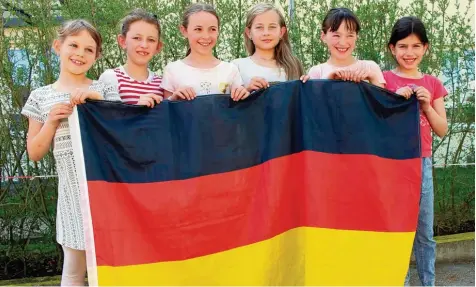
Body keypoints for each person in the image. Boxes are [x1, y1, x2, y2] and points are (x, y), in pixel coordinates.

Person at [21, 20, 121, 286]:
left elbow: (121, 132)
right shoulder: (40, 96)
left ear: (97, 55)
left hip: (109, 192)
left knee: (114, 268)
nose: (80, 54)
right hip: (72, 198)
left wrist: (96, 100)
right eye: (73, 45)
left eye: (89, 49)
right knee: (74, 272)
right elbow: (34, 152)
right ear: (58, 46)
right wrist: (52, 121)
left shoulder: (105, 89)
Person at [384, 16, 448, 286]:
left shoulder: (433, 84)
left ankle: (428, 283)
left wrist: (426, 105)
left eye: (415, 46)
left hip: (422, 163)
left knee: (424, 233)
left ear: (426, 48)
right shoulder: (383, 79)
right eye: (402, 46)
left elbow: (442, 129)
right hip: (391, 165)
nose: (409, 53)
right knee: (396, 232)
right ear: (392, 49)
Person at [161, 3, 249, 102]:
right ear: (184, 31)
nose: (206, 36)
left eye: (212, 29)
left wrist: (243, 94)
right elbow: (167, 112)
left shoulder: (230, 70)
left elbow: (239, 109)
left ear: (218, 31)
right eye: (198, 29)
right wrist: (174, 99)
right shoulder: (172, 70)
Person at [232, 3, 303, 92]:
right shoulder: (237, 66)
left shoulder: (294, 65)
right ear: (249, 32)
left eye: (272, 27)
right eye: (259, 27)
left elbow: (301, 100)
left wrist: (307, 85)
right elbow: (228, 103)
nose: (266, 33)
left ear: (281, 32)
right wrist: (247, 90)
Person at [99, 8, 163, 107]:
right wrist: (135, 109)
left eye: (151, 40)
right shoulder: (110, 78)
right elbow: (105, 119)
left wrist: (177, 101)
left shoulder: (162, 83)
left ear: (158, 47)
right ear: (122, 41)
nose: (144, 45)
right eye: (137, 38)